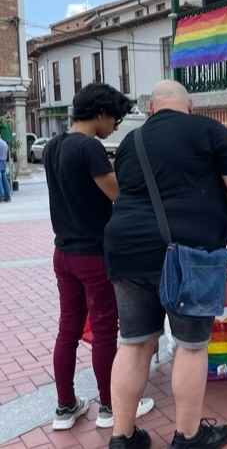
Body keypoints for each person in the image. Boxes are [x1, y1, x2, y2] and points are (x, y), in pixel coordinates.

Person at [104, 80, 227, 449]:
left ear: (151, 108)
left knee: (134, 343)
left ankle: (122, 437)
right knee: (190, 344)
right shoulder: (208, 129)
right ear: (190, 104)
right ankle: (187, 436)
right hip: (189, 251)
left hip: (125, 249)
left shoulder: (129, 141)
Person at [42, 83, 154, 431]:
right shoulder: (89, 148)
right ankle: (110, 405)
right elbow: (117, 193)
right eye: (115, 121)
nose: (114, 127)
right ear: (101, 114)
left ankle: (65, 407)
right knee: (105, 330)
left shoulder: (52, 146)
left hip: (63, 252)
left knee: (68, 330)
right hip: (94, 253)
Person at [0, 135, 10, 203]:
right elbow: (6, 153)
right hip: (3, 161)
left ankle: (1, 195)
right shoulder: (4, 143)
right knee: (4, 178)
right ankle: (7, 195)